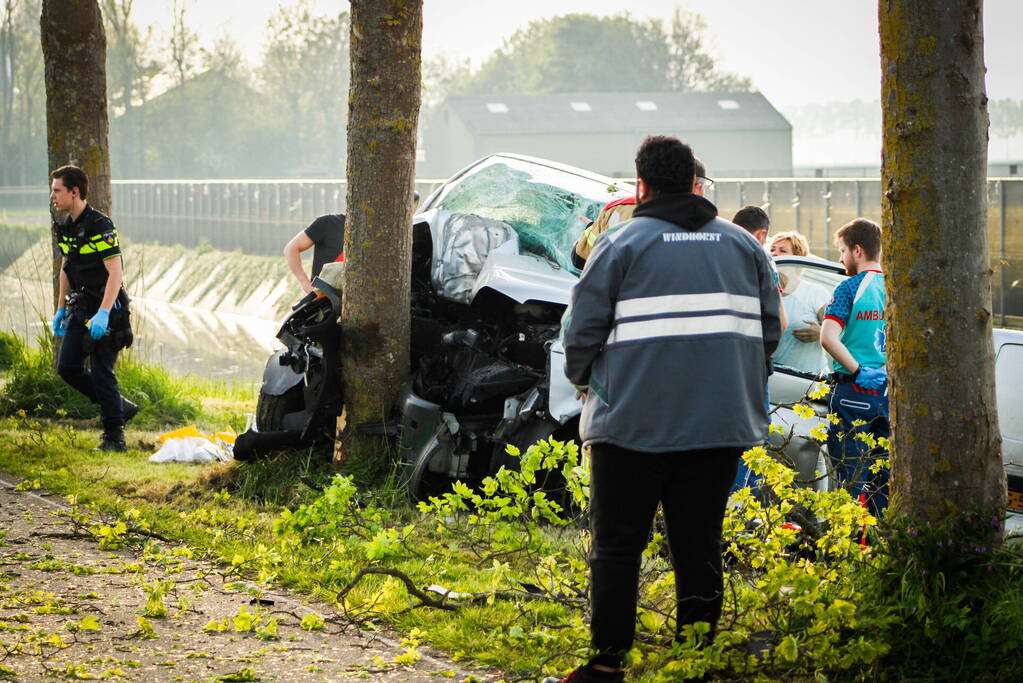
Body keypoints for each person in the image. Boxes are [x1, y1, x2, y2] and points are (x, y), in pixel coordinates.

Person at [553, 136, 782, 683]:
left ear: (642, 186)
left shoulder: (620, 244)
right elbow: (768, 331)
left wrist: (586, 382)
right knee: (699, 542)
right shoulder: (745, 247)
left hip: (630, 425)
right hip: (719, 425)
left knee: (617, 545)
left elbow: (579, 333)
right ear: (696, 184)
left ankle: (608, 663)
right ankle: (695, 660)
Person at [50, 165, 137, 452]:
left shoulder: (101, 225)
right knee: (68, 367)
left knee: (102, 372)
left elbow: (116, 273)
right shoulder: (66, 226)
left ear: (75, 192)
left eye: (57, 190)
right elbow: (67, 267)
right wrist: (61, 309)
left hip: (107, 309)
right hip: (81, 306)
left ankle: (115, 437)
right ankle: (119, 406)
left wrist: (104, 312)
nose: (52, 196)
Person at [820, 218, 889, 518]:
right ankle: (879, 552)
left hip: (853, 392)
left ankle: (846, 554)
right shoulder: (896, 288)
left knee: (850, 482)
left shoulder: (849, 287)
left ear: (857, 250)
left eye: (842, 251)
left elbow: (828, 338)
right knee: (883, 484)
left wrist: (858, 370)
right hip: (889, 394)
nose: (840, 258)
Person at [571, 159, 710, 269]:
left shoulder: (617, 209)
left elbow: (580, 260)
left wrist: (592, 228)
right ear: (697, 187)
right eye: (705, 186)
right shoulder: (713, 228)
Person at [283, 191, 420, 293]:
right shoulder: (327, 223)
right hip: (324, 300)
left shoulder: (385, 234)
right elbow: (291, 249)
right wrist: (306, 284)